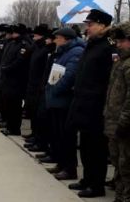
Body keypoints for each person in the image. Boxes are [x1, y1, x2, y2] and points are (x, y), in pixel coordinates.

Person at [67, 9, 115, 198]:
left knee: (97, 148)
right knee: (85, 146)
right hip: (83, 102)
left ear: (102, 25)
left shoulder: (108, 46)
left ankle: (96, 185)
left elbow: (108, 79)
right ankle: (87, 179)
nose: (87, 28)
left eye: (90, 24)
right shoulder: (92, 44)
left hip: (96, 105)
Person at [45, 28, 84, 181]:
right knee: (58, 135)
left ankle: (69, 168)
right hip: (56, 99)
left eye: (58, 38)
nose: (55, 40)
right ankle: (61, 164)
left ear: (66, 39)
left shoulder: (76, 52)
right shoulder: (63, 51)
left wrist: (55, 90)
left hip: (64, 100)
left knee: (66, 136)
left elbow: (69, 76)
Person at [105, 22, 130, 202]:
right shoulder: (122, 61)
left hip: (126, 126)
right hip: (115, 122)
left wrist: (124, 123)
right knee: (118, 164)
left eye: (121, 40)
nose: (117, 44)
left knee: (128, 168)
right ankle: (120, 197)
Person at [0, 23, 32, 136]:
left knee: (15, 106)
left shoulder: (24, 45)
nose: (13, 34)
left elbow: (20, 62)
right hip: (8, 79)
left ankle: (14, 128)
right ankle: (9, 125)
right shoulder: (12, 43)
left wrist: (7, 68)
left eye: (16, 32)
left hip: (17, 80)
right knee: (8, 104)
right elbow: (6, 58)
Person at [24, 24, 51, 143]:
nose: (33, 36)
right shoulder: (37, 47)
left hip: (39, 84)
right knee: (32, 110)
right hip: (32, 82)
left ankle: (39, 137)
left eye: (36, 34)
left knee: (39, 113)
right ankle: (34, 133)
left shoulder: (46, 49)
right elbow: (27, 56)